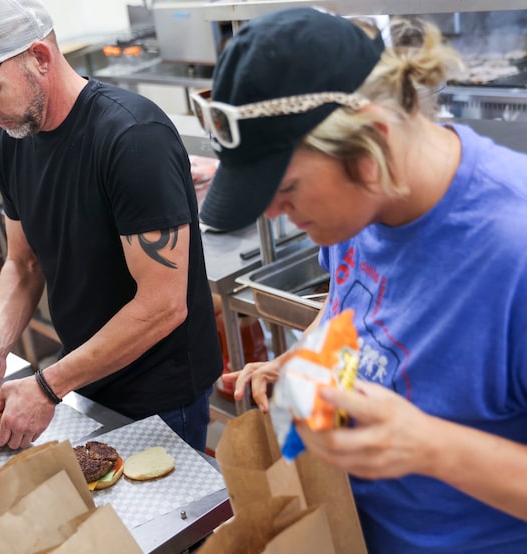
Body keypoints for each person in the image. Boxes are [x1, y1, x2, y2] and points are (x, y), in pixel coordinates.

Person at [193, 7, 527, 553]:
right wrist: (302, 361)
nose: (276, 213)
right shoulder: (359, 209)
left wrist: (430, 447)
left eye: (288, 189)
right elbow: (352, 306)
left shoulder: (513, 249)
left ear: (371, 141)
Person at [0, 0, 222, 452]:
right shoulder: (11, 142)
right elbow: (22, 264)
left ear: (40, 59)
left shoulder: (132, 138)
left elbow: (164, 305)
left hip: (160, 392)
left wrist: (47, 387)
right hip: (83, 378)